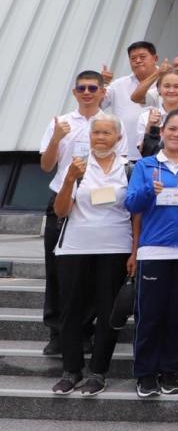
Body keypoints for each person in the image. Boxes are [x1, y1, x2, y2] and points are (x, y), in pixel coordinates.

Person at [39, 70, 127, 356]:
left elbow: (121, 162)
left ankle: (86, 330)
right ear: (74, 92)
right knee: (58, 269)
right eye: (81, 88)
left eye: (92, 87)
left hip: (102, 203)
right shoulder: (61, 122)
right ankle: (57, 331)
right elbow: (46, 165)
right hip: (64, 194)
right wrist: (56, 139)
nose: (87, 92)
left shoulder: (113, 124)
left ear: (103, 91)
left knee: (94, 275)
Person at [125, 109, 178, 398]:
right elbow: (131, 204)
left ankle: (169, 372)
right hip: (153, 251)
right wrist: (149, 190)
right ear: (162, 131)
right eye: (172, 129)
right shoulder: (145, 165)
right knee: (150, 316)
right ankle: (145, 374)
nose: (176, 134)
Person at [48, 112, 132, 396]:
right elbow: (60, 210)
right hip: (75, 247)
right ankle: (71, 370)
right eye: (96, 133)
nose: (101, 138)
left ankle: (98, 372)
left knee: (109, 311)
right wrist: (70, 179)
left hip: (115, 248)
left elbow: (136, 214)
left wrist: (135, 251)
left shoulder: (129, 169)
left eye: (107, 133)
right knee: (71, 310)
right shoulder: (77, 166)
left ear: (118, 137)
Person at [104, 41, 160, 159]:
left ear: (155, 59)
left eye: (142, 57)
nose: (138, 61)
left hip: (155, 156)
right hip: (122, 155)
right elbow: (97, 104)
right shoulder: (119, 84)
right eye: (133, 58)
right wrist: (102, 83)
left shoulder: (168, 83)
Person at [135, 68, 178, 153]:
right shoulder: (146, 116)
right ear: (158, 89)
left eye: (177, 86)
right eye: (166, 86)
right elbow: (142, 151)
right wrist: (149, 127)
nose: (171, 90)